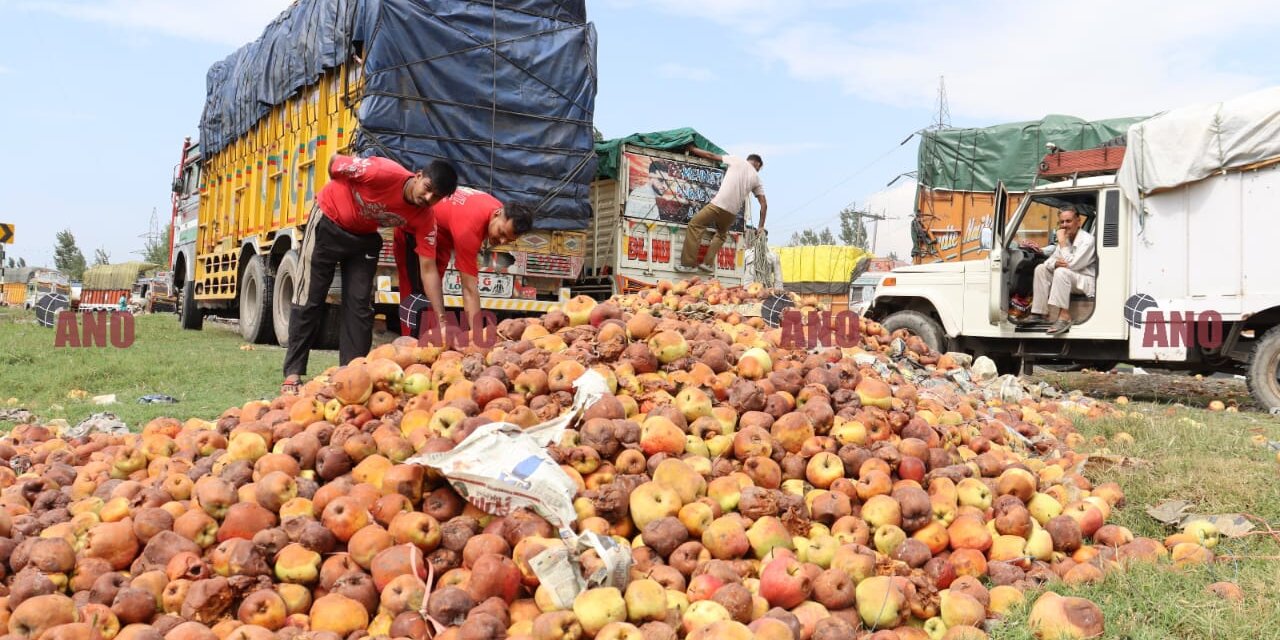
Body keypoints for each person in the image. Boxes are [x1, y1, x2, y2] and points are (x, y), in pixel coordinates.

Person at [281, 154, 458, 395]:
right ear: (418, 176)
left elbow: (428, 270)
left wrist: (442, 320)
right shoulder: (381, 172)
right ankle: (292, 375)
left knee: (359, 307)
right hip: (328, 222)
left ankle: (351, 376)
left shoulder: (425, 218)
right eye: (427, 188)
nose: (428, 198)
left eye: (436, 197)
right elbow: (334, 163)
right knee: (310, 297)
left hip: (364, 238)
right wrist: (342, 194)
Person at [393, 186, 535, 337]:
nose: (501, 241)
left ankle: (429, 340)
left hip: (440, 241)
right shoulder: (469, 228)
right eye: (501, 233)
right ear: (497, 214)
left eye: (508, 240)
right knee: (416, 298)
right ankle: (411, 345)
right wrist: (478, 336)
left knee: (431, 300)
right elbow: (469, 290)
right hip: (413, 234)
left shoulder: (497, 210)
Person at [676, 144, 766, 274]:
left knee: (695, 225)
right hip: (732, 213)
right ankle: (707, 264)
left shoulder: (735, 160)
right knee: (721, 234)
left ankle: (688, 264)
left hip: (718, 205)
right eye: (759, 168)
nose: (758, 171)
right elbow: (764, 204)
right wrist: (761, 226)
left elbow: (711, 155)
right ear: (757, 164)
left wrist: (692, 149)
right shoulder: (757, 179)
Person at [1020, 209, 1096, 335]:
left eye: (1068, 221)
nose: (1064, 225)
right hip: (1069, 277)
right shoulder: (1066, 239)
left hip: (1085, 281)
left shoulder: (1088, 241)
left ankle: (1064, 317)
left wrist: (1062, 243)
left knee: (1061, 272)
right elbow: (1048, 262)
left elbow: (1073, 265)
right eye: (1062, 222)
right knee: (1041, 269)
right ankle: (1038, 313)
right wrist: (1055, 263)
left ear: (1078, 222)